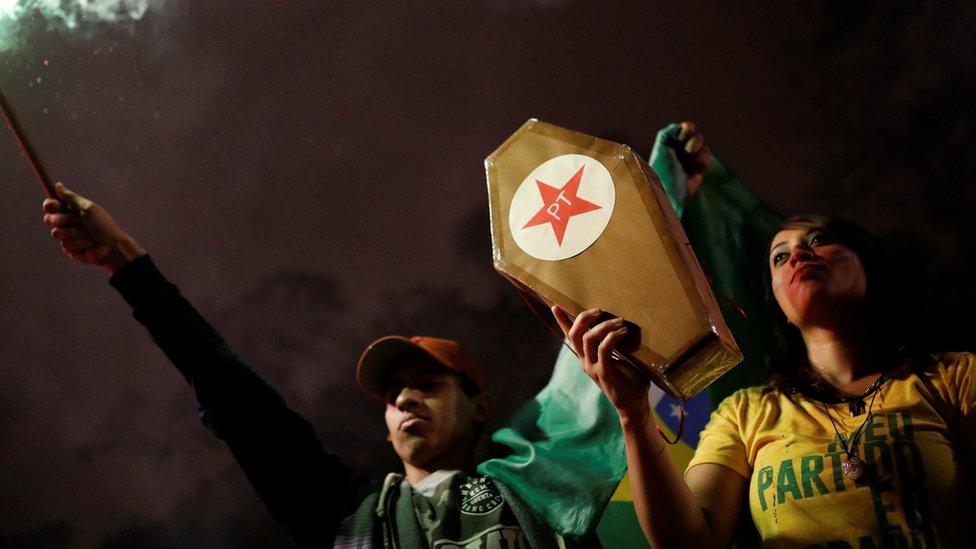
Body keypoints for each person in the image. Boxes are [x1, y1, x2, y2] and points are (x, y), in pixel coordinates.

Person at [40, 184, 620, 548]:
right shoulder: (347, 518)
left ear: (480, 407)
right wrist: (124, 261)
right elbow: (239, 404)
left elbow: (588, 373)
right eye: (394, 395)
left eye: (428, 384)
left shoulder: (540, 486)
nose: (406, 400)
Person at [554, 123, 975, 547]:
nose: (798, 254)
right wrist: (634, 416)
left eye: (820, 239)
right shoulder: (747, 414)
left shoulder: (955, 379)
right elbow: (691, 541)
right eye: (779, 256)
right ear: (778, 306)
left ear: (868, 266)